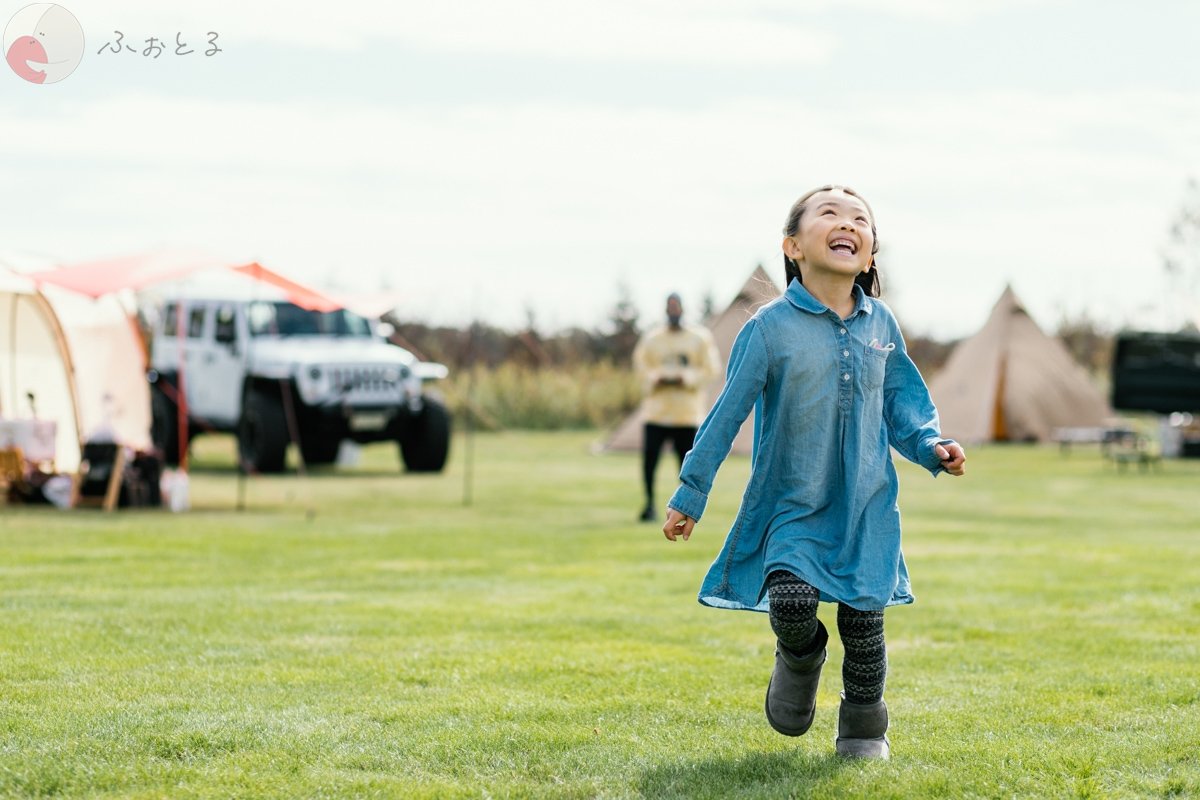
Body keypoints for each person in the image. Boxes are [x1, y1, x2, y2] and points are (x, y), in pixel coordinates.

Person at [661, 185, 966, 760]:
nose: (847, 223)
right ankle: (801, 656)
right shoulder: (769, 328)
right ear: (793, 246)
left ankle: (864, 729)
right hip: (791, 503)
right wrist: (691, 492)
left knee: (864, 625)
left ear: (871, 252)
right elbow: (726, 414)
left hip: (866, 505)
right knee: (794, 604)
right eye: (829, 213)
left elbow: (902, 404)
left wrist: (932, 445)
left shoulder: (882, 324)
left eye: (860, 219)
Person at [632, 293, 719, 522]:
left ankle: (685, 507)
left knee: (687, 467)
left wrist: (687, 378)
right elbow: (641, 367)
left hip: (686, 415)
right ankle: (649, 504)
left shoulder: (699, 338)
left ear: (682, 308)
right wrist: (655, 378)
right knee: (650, 463)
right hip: (657, 414)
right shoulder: (652, 339)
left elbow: (711, 369)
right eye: (669, 307)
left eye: (676, 307)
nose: (673, 311)